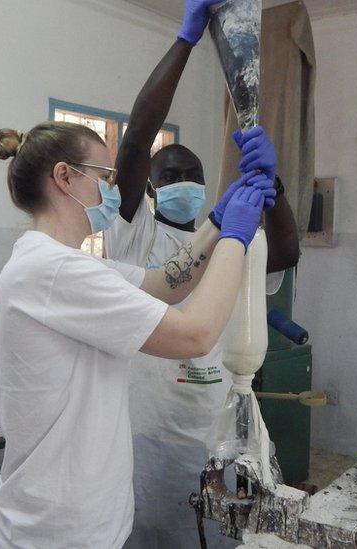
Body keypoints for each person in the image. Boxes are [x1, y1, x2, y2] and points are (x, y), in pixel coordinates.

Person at [0, 121, 275, 548]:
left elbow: (164, 284)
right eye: (103, 177)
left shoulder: (66, 264)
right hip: (53, 531)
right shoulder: (54, 271)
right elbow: (195, 335)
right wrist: (236, 237)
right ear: (65, 177)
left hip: (78, 518)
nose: (111, 190)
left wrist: (216, 221)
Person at [103, 1, 301, 546]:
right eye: (172, 175)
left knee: (217, 534)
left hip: (216, 427)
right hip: (151, 435)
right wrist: (185, 41)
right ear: (150, 185)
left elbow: (283, 255)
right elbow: (136, 143)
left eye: (194, 174)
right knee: (154, 535)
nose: (184, 182)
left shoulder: (225, 232)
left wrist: (272, 185)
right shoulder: (132, 235)